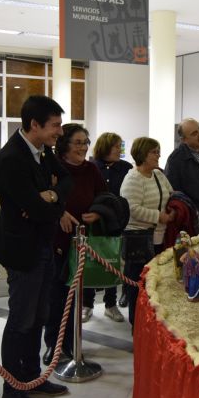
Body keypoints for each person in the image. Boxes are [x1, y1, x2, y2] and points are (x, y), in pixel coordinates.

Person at [0, 95, 72, 398]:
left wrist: (51, 196)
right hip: (22, 249)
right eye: (55, 125)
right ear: (35, 125)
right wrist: (47, 206)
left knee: (39, 316)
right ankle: (12, 388)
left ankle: (31, 378)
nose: (60, 132)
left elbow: (66, 183)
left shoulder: (45, 152)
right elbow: (35, 209)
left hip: (43, 244)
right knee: (21, 320)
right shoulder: (11, 158)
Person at [42, 123, 108, 366]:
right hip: (57, 242)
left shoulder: (91, 170)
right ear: (65, 145)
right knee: (56, 297)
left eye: (85, 143)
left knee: (76, 298)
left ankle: (72, 345)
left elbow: (105, 196)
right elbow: (44, 196)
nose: (82, 147)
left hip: (84, 243)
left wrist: (99, 212)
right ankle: (53, 345)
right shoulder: (53, 167)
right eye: (77, 142)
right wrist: (59, 213)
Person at [120, 136, 174, 326]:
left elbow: (171, 193)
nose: (158, 155)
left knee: (156, 285)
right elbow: (131, 208)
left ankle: (152, 325)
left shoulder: (159, 175)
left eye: (158, 151)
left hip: (159, 237)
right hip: (139, 240)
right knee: (138, 286)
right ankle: (137, 326)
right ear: (142, 154)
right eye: (154, 152)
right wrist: (158, 216)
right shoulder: (133, 178)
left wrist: (175, 208)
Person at [92, 131, 132, 310]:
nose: (119, 150)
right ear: (106, 147)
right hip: (95, 222)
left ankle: (110, 304)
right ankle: (87, 304)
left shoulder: (126, 168)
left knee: (112, 262)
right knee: (91, 263)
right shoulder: (92, 166)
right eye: (116, 146)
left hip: (116, 223)